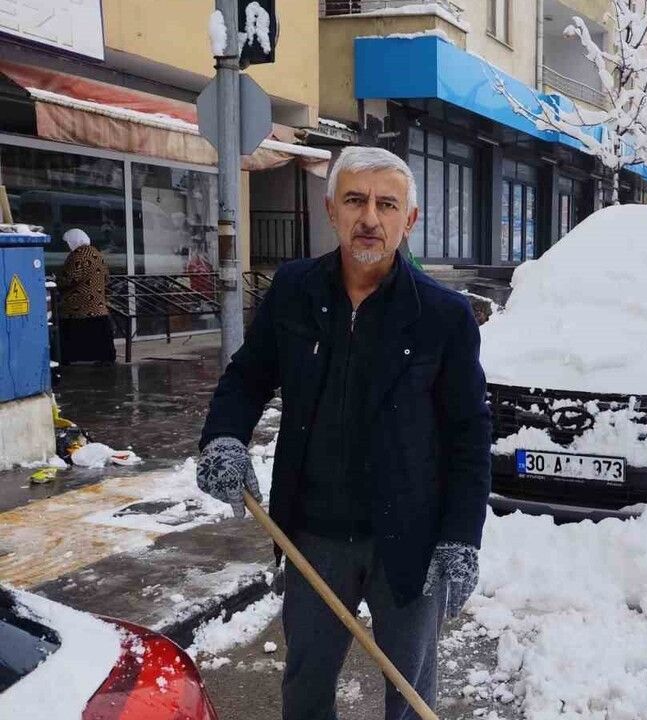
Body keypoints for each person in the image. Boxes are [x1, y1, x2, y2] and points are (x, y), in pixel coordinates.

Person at [195, 146, 492, 720]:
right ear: (332, 209)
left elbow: (468, 436)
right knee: (305, 688)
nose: (370, 218)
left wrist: (461, 537)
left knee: (408, 694)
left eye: (387, 204)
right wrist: (223, 437)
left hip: (410, 540)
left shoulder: (443, 316)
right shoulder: (294, 290)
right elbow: (246, 377)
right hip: (314, 535)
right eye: (355, 200)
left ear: (410, 220)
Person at [55, 228, 116, 365]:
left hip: (79, 305)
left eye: (68, 242)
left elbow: (69, 278)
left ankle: (69, 357)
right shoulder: (96, 253)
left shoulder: (78, 255)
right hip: (98, 305)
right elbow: (106, 277)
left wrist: (57, 280)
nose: (68, 245)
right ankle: (104, 358)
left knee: (69, 329)